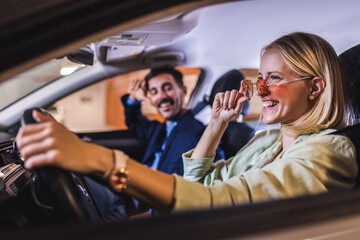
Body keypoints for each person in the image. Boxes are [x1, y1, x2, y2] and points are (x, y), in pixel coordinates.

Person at [16, 32, 357, 213]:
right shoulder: (266, 141)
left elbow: (221, 203)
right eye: (261, 77)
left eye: (276, 78)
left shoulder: (329, 152)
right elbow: (199, 182)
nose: (262, 89)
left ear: (315, 87)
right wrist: (217, 123)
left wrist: (102, 162)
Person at [121, 66, 223, 175]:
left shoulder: (200, 135)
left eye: (168, 88)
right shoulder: (159, 129)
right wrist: (133, 97)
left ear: (183, 91)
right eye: (154, 92)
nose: (161, 96)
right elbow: (134, 122)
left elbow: (212, 174)